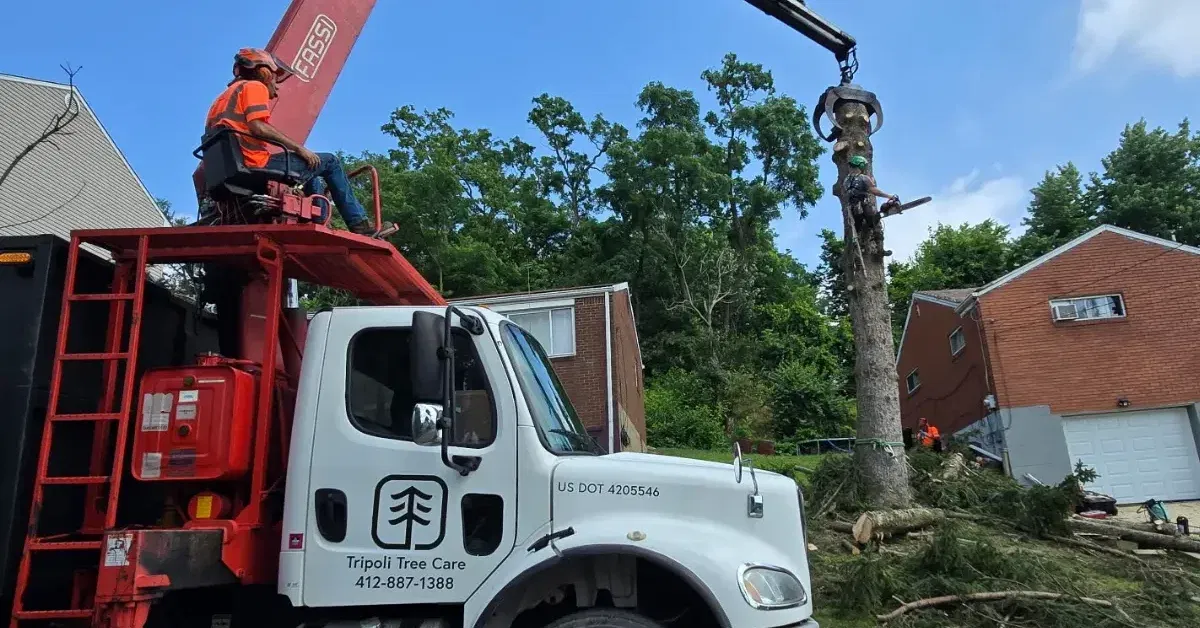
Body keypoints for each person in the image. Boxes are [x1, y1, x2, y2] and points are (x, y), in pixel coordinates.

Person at [203, 48, 395, 236]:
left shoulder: (221, 99)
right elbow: (258, 127)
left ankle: (318, 221)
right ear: (264, 71)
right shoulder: (255, 86)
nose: (276, 87)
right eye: (275, 77)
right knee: (330, 162)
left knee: (312, 168)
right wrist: (299, 149)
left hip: (231, 169)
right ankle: (359, 225)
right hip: (252, 163)